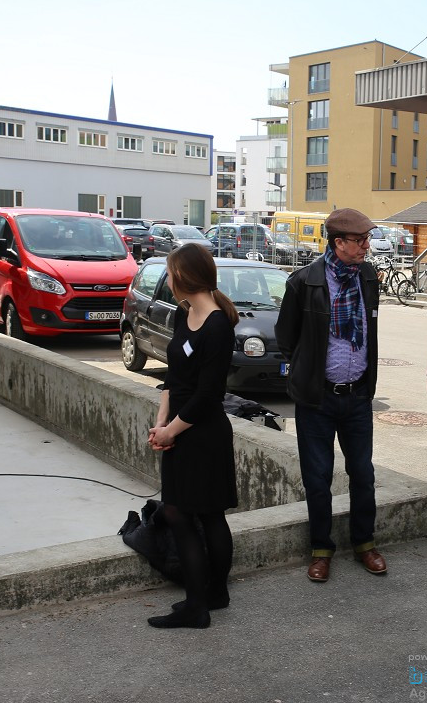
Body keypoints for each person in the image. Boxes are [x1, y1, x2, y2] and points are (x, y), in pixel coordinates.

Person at [275, 208, 386, 582]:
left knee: (363, 474)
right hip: (317, 399)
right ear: (339, 243)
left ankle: (364, 543)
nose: (366, 247)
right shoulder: (304, 282)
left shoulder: (368, 277)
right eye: (360, 241)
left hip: (357, 397)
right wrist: (306, 373)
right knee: (318, 477)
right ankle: (321, 550)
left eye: (366, 240)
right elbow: (287, 338)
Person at [146, 244, 239, 629]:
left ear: (184, 277)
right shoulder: (186, 315)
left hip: (203, 434)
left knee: (182, 513)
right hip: (181, 427)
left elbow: (207, 396)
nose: (167, 280)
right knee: (201, 513)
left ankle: (197, 606)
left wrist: (172, 430)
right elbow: (175, 378)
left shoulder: (217, 326)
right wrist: (161, 422)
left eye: (170, 273)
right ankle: (215, 594)